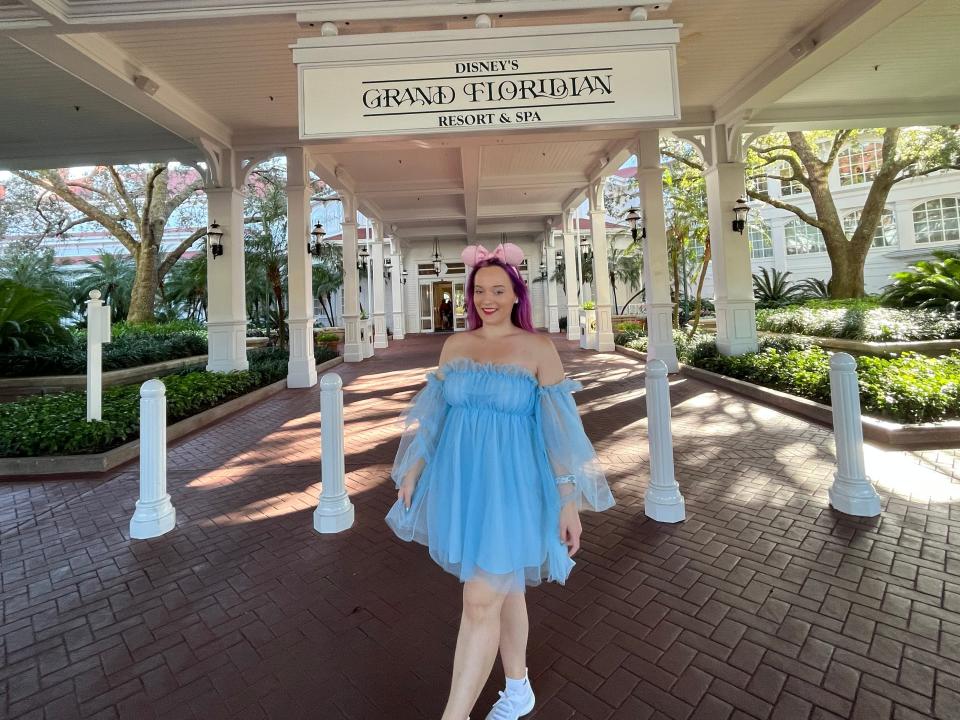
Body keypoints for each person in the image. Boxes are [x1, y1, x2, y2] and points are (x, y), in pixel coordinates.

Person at [385, 242, 615, 720]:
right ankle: (518, 689)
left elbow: (559, 432)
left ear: (515, 295)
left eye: (498, 289)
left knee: (478, 599)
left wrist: (567, 500)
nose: (487, 298)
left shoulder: (538, 348)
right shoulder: (455, 346)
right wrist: (413, 469)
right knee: (504, 588)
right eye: (479, 290)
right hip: (464, 484)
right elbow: (436, 417)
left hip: (515, 486)